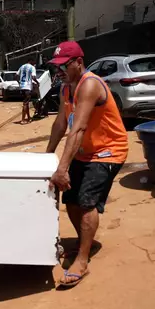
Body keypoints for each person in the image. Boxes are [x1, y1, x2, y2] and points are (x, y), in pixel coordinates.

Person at [46, 41, 128, 289]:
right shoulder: (66, 89)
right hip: (85, 152)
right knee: (70, 200)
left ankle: (82, 260)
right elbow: (61, 124)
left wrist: (61, 168)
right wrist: (45, 156)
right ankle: (86, 241)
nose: (59, 71)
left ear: (79, 62)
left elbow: (78, 127)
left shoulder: (90, 84)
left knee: (86, 200)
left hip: (107, 152)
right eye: (56, 66)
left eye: (64, 65)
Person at [17, 57, 39, 124]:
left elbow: (15, 76)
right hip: (27, 87)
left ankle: (29, 118)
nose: (34, 63)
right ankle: (23, 120)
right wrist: (37, 82)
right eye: (33, 62)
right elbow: (33, 77)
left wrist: (19, 83)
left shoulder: (22, 66)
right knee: (25, 103)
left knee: (26, 103)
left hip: (22, 87)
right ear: (30, 61)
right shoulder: (32, 67)